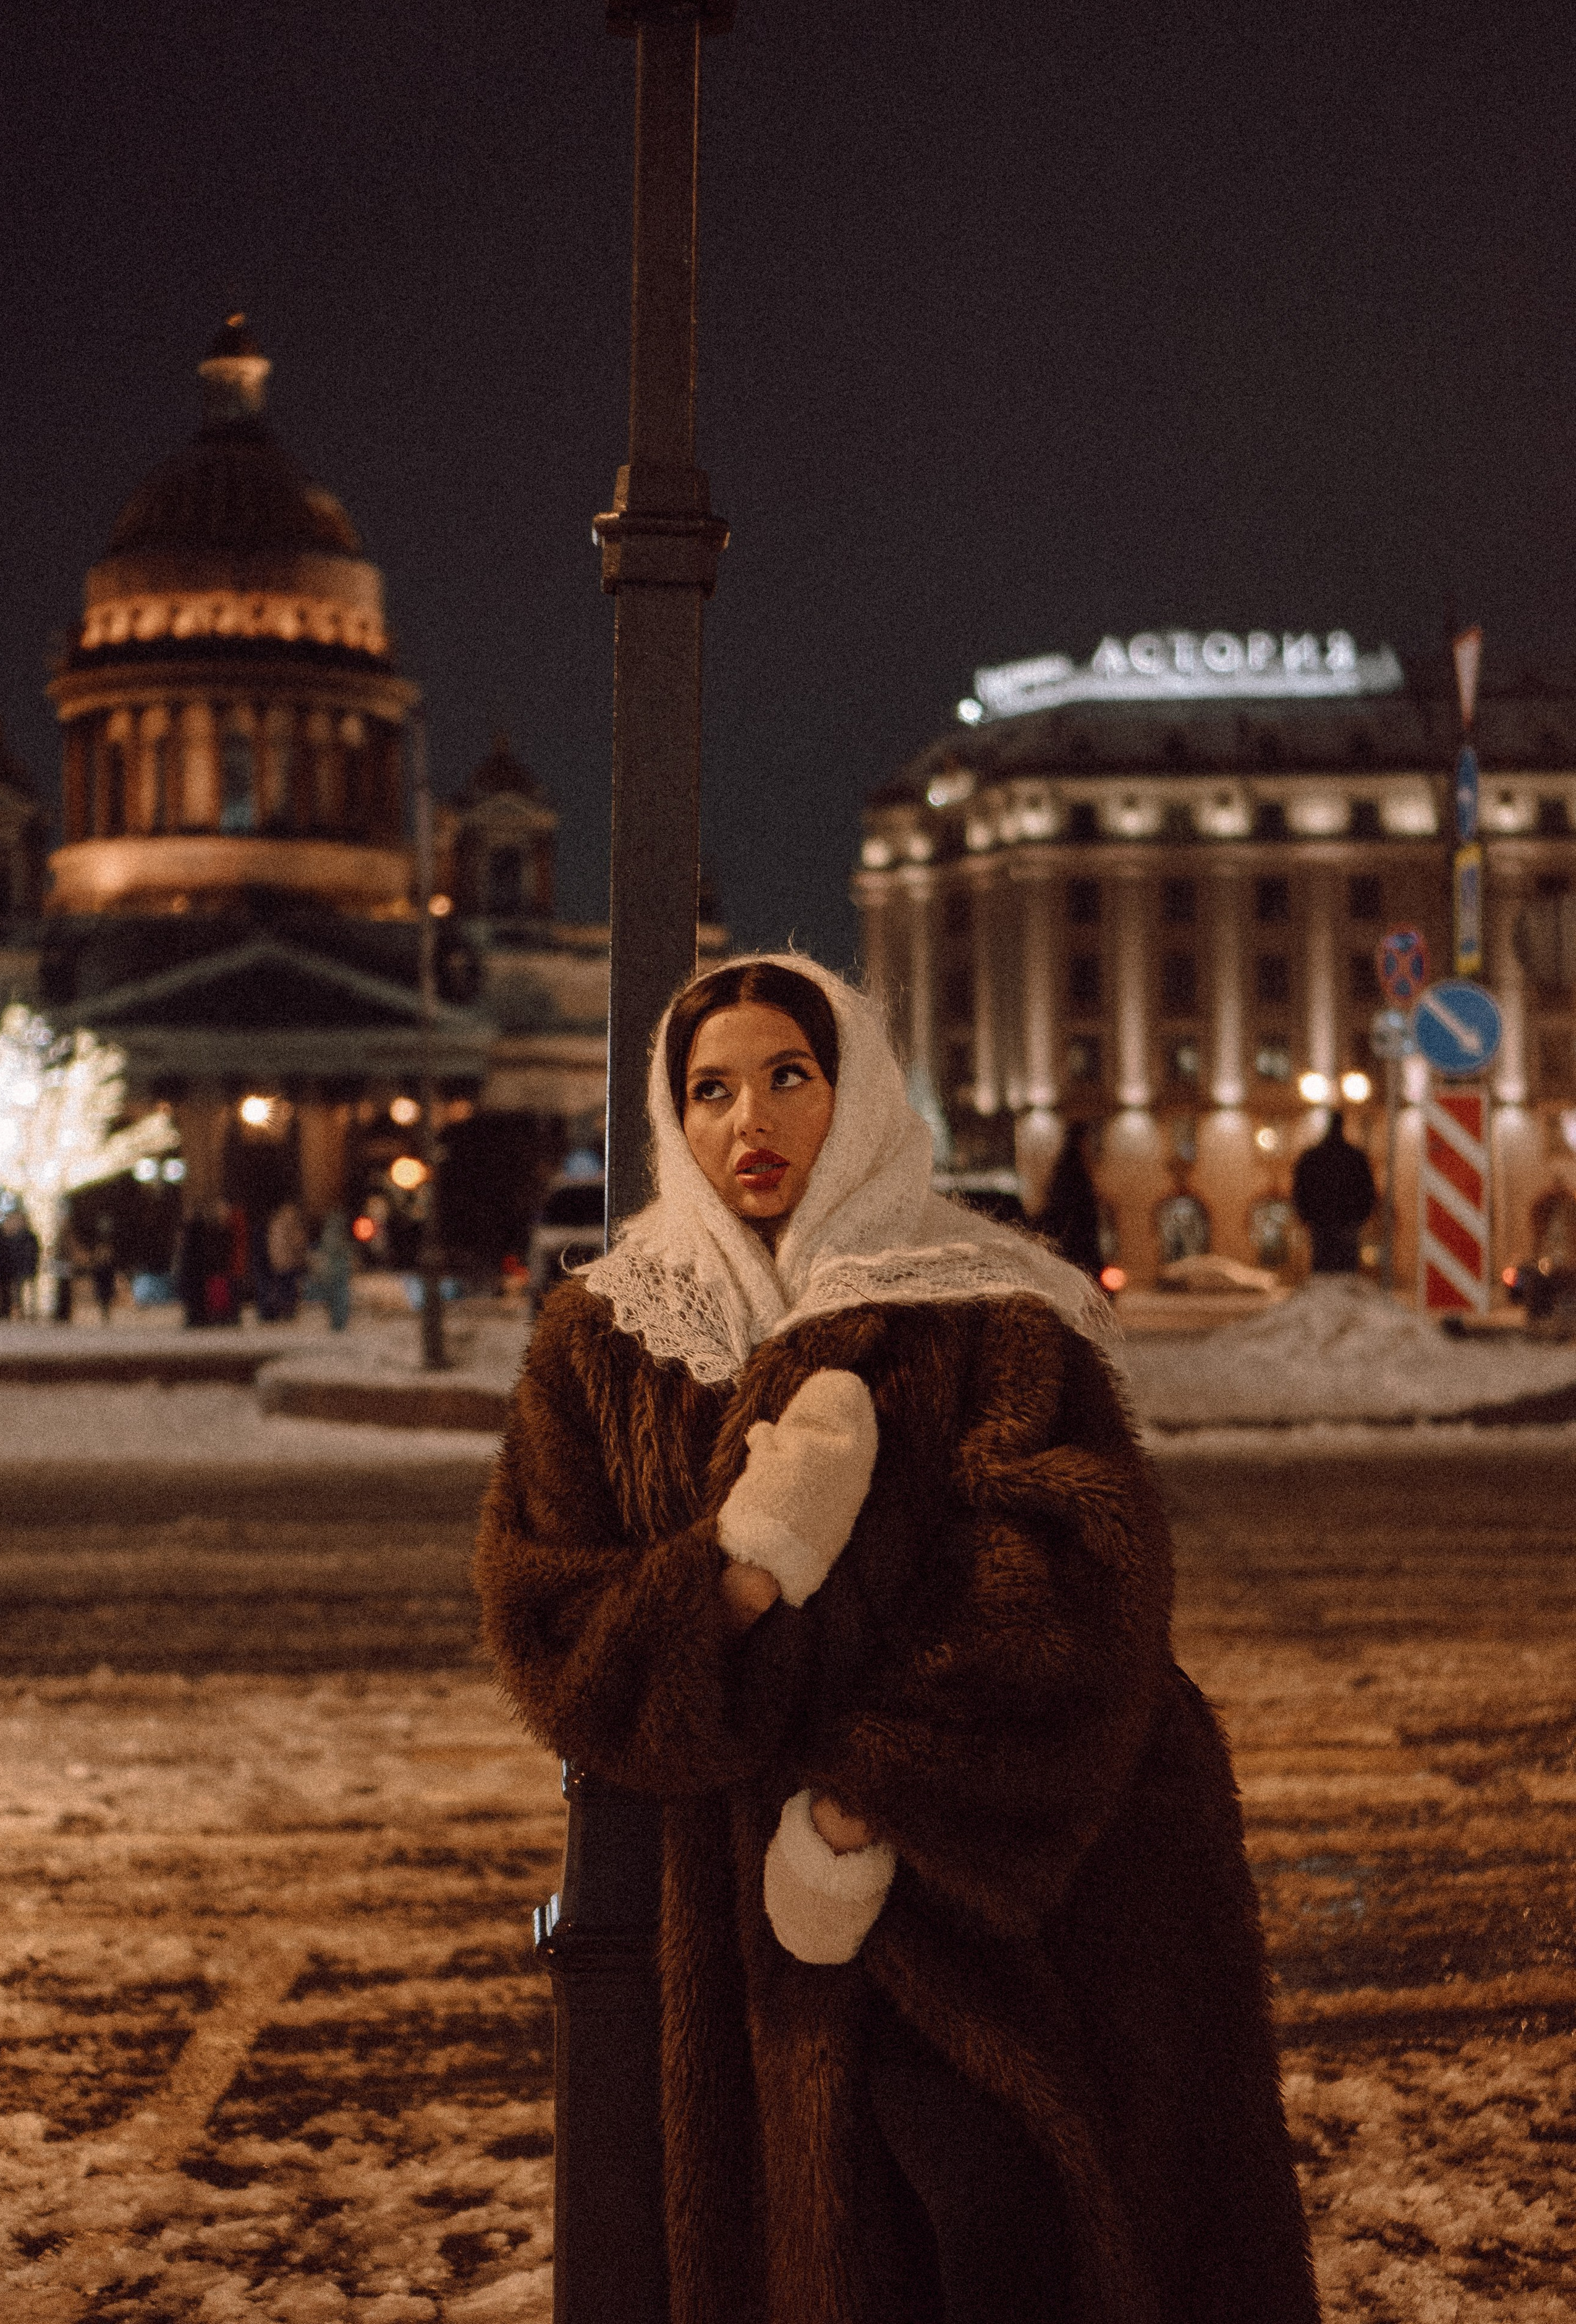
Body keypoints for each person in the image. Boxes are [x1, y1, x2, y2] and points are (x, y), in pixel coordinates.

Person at [477, 954, 1318, 2324]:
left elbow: (1076, 1572)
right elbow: (550, 1623)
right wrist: (741, 1571)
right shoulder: (605, 1341)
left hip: (1017, 1900)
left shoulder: (985, 1304)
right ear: (670, 1122)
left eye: (787, 1078)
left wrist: (871, 1800)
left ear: (853, 1090)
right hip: (746, 1939)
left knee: (1013, 2230)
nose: (748, 1121)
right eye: (709, 1092)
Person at [1291, 1107, 1378, 1274]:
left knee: (1323, 1269)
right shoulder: (1356, 1158)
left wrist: (1307, 1218)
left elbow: (1299, 1191)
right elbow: (1368, 1193)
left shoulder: (1312, 1157)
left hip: (1321, 1225)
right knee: (1346, 1271)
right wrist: (1359, 1220)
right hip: (1348, 1226)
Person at [1036, 1119, 1103, 1279]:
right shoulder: (1075, 1174)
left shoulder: (1065, 1170)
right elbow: (1080, 1216)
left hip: (1072, 1246)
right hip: (1078, 1246)